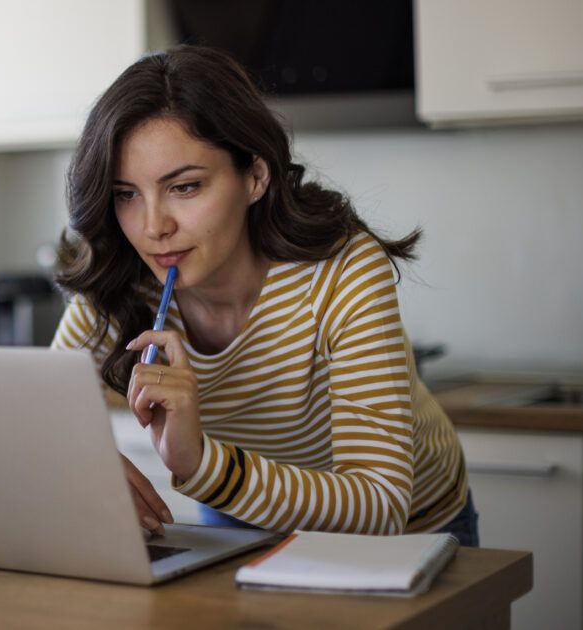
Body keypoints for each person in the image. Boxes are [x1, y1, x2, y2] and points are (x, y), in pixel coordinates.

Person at [50, 46, 478, 547]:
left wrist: (202, 465)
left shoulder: (343, 270)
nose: (153, 228)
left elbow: (380, 502)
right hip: (243, 516)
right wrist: (82, 461)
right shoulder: (122, 276)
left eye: (185, 187)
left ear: (254, 176)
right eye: (126, 194)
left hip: (409, 532)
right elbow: (39, 418)